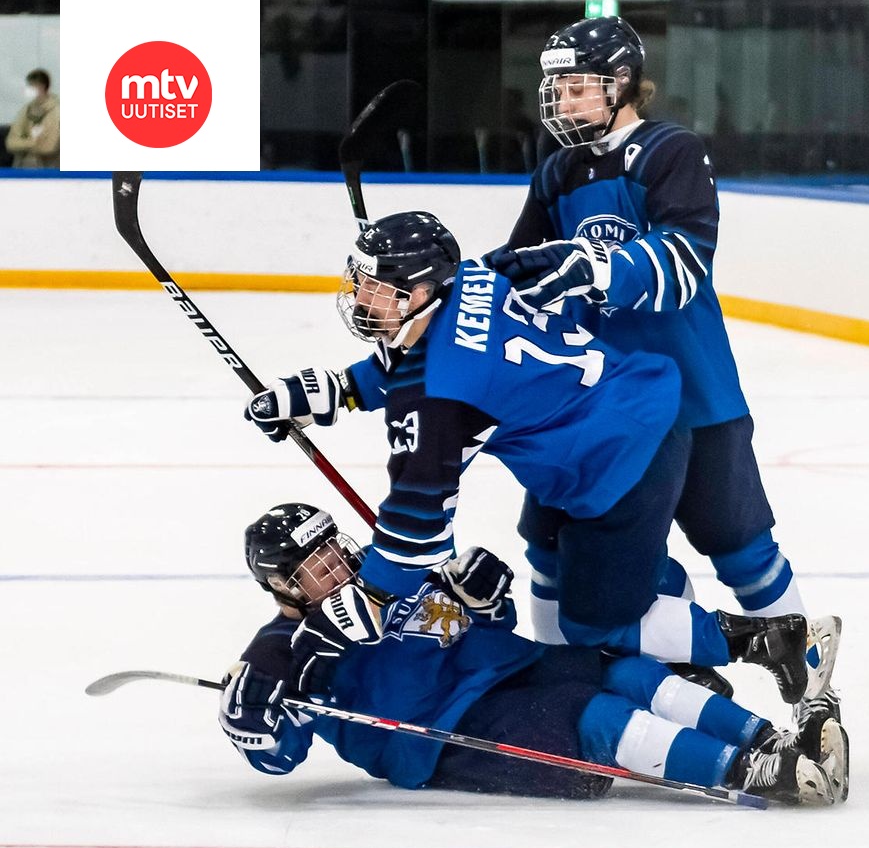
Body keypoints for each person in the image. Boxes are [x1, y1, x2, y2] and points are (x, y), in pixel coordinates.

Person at [243, 210, 837, 708]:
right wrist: (336, 390)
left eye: (378, 287)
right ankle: (677, 661)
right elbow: (432, 357)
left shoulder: (441, 396)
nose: (361, 298)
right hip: (631, 411)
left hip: (618, 464)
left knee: (591, 623)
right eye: (362, 282)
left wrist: (371, 594)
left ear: (422, 292)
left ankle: (771, 641)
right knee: (569, 558)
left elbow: (417, 521)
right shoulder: (477, 276)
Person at [482, 17, 839, 723]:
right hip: (595, 411)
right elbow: (518, 271)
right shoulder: (557, 171)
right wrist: (452, 292)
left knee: (744, 554)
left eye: (577, 86)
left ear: (621, 85)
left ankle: (815, 691)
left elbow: (682, 260)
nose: (560, 100)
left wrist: (588, 268)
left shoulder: (669, 151)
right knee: (551, 549)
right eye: (554, 86)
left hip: (693, 397)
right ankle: (571, 682)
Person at [218, 503, 845, 804]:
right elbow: (280, 757)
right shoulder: (281, 653)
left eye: (335, 549)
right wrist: (251, 726)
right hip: (437, 734)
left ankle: (767, 741)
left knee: (624, 669)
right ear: (282, 585)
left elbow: (491, 622)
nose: (337, 566)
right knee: (594, 717)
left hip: (502, 670)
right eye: (314, 566)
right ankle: (746, 772)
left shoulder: (392, 573)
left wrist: (484, 598)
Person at [6, 69, 59, 168]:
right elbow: (11, 143)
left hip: (49, 170)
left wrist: (23, 143)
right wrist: (32, 142)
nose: (28, 89)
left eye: (31, 85)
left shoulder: (57, 111)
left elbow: (49, 146)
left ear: (41, 86)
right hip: (22, 167)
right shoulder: (26, 109)